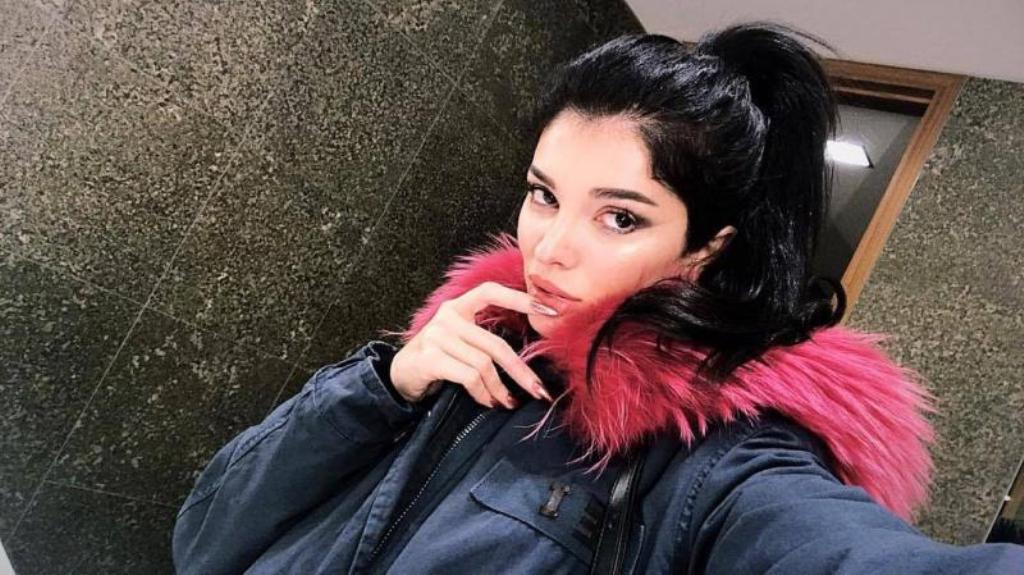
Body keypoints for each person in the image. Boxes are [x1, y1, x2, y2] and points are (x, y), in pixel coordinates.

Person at [171, 22, 1024, 574]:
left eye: (620, 217)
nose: (550, 248)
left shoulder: (718, 458)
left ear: (703, 250)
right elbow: (205, 541)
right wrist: (384, 382)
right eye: (544, 194)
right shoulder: (466, 347)